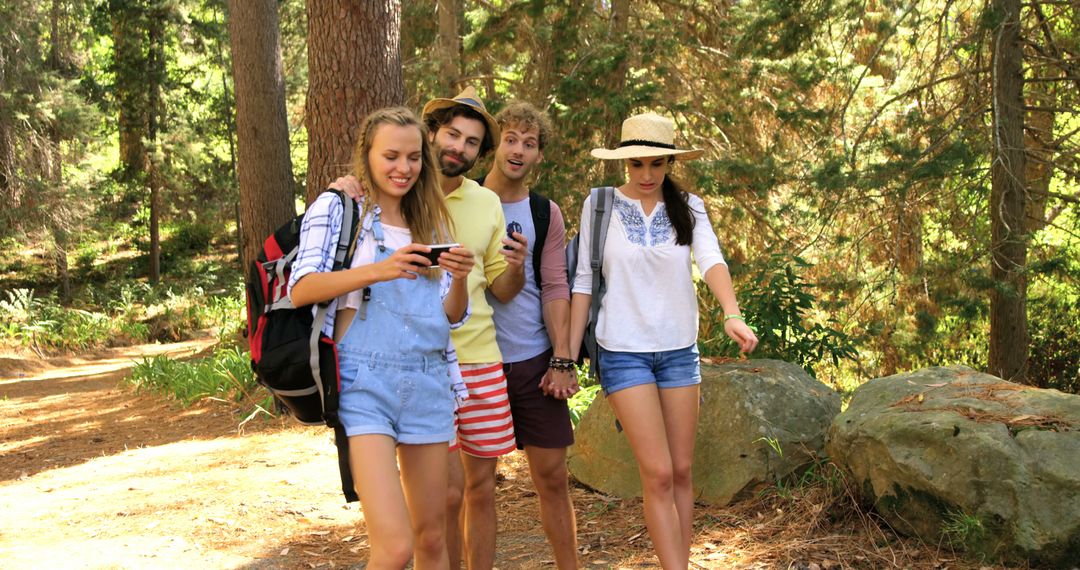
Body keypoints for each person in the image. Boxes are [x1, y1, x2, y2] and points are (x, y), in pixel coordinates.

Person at [330, 87, 526, 570]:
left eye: (472, 142)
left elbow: (497, 291)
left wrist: (511, 266)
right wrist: (347, 188)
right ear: (432, 133)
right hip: (387, 369)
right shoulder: (376, 200)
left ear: (482, 154)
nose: (459, 147)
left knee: (468, 495)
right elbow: (315, 282)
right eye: (452, 135)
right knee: (434, 509)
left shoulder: (480, 206)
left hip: (469, 363)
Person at [568, 112, 758, 569]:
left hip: (678, 351)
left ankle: (680, 562)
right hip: (623, 352)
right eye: (637, 164)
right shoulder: (601, 206)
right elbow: (582, 283)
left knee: (680, 472)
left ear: (670, 163)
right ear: (624, 163)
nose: (647, 174)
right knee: (655, 473)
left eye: (657, 164)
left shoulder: (689, 206)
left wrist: (732, 313)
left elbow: (711, 260)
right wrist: (563, 357)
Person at [289, 106, 476, 570]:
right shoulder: (338, 208)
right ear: (366, 155)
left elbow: (452, 317)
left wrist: (462, 277)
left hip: (429, 382)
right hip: (363, 383)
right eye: (390, 155)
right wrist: (382, 269)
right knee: (394, 547)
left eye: (413, 157)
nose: (403, 168)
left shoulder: (432, 221)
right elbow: (302, 289)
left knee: (433, 539)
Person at [478, 101, 579, 569]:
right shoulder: (462, 198)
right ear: (495, 143)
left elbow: (556, 286)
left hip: (534, 360)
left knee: (552, 478)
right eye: (511, 139)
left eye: (530, 143)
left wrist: (562, 357)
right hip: (476, 363)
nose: (518, 150)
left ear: (540, 155)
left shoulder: (544, 213)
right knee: (477, 486)